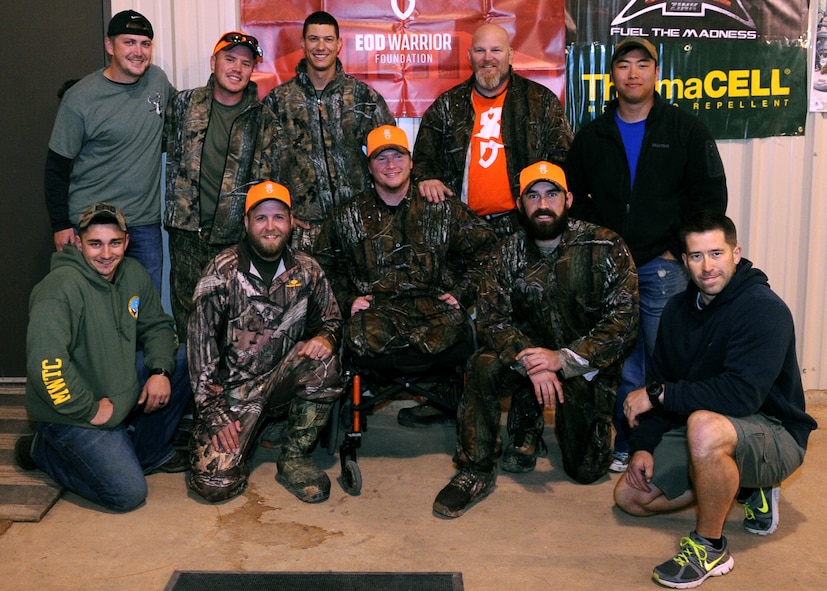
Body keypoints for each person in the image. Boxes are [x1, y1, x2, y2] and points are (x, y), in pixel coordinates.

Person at [614, 211, 817, 589]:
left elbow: (740, 395)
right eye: (696, 256)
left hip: (774, 430)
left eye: (716, 253)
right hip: (708, 426)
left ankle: (710, 545)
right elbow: (665, 381)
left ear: (735, 253)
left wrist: (660, 396)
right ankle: (739, 486)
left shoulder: (764, 309)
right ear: (684, 260)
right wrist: (643, 446)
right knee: (630, 496)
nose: (707, 267)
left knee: (703, 426)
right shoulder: (677, 310)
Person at [432, 161, 639, 518]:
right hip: (526, 361)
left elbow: (624, 322)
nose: (543, 203)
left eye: (552, 193)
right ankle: (474, 469)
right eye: (533, 195)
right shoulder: (506, 253)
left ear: (569, 199)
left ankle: (533, 426)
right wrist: (531, 360)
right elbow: (492, 319)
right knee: (481, 365)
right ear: (519, 204)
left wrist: (564, 359)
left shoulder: (606, 246)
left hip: (581, 366)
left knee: (586, 470)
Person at [564, 37, 727, 473]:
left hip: (663, 266)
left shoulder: (684, 129)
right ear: (612, 74)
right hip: (611, 267)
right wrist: (597, 243)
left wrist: (680, 249)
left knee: (665, 355)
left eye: (642, 64)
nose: (633, 73)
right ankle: (628, 440)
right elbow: (573, 197)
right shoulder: (593, 134)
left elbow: (709, 196)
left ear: (656, 72)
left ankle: (667, 441)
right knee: (624, 357)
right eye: (624, 65)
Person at [313, 125, 497, 426]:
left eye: (397, 156)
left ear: (411, 162)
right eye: (381, 158)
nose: (391, 165)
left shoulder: (442, 208)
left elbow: (488, 251)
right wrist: (347, 300)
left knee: (459, 336)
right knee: (359, 338)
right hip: (375, 317)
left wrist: (463, 293)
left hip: (436, 314)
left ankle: (446, 400)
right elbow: (323, 268)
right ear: (369, 167)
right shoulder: (346, 215)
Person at [15, 203, 190, 512]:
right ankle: (42, 450)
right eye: (95, 243)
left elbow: (159, 326)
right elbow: (46, 366)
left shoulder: (132, 274)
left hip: (117, 385)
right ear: (79, 242)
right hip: (72, 409)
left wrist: (160, 371)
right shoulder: (59, 289)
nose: (106, 253)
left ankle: (147, 454)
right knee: (127, 494)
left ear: (126, 241)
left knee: (183, 359)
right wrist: (88, 408)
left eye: (114, 242)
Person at [187, 181, 343, 504]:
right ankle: (250, 436)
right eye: (261, 218)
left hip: (282, 380)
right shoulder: (222, 271)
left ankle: (295, 456)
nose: (270, 227)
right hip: (232, 393)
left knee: (324, 359)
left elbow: (332, 320)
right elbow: (199, 348)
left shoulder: (307, 269)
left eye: (278, 218)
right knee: (213, 483)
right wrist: (215, 413)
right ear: (246, 223)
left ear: (290, 222)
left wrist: (326, 338)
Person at [44, 10, 174, 293]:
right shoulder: (80, 97)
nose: (138, 51)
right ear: (109, 45)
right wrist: (61, 224)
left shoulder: (158, 82)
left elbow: (183, 125)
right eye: (129, 42)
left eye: (145, 43)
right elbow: (55, 167)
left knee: (143, 313)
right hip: (92, 226)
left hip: (143, 225)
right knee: (89, 314)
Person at [165, 30, 277, 343]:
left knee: (237, 325)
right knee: (190, 325)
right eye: (230, 59)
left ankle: (228, 391)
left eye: (246, 63)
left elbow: (272, 181)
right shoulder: (184, 104)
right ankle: (193, 391)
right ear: (214, 62)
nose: (236, 68)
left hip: (236, 239)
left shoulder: (264, 119)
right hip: (187, 235)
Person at [413, 23, 573, 239]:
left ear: (510, 55)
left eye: (496, 50)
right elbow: (423, 159)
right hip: (463, 229)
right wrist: (428, 178)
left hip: (525, 230)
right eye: (480, 51)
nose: (487, 58)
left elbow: (564, 159)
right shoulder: (448, 105)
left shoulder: (540, 101)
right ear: (470, 57)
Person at [263, 10, 395, 251]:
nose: (320, 46)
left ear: (339, 44)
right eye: (313, 39)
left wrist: (381, 210)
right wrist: (281, 214)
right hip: (301, 232)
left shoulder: (363, 97)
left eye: (328, 39)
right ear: (303, 44)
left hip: (358, 225)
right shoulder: (278, 101)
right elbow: (262, 165)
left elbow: (390, 157)